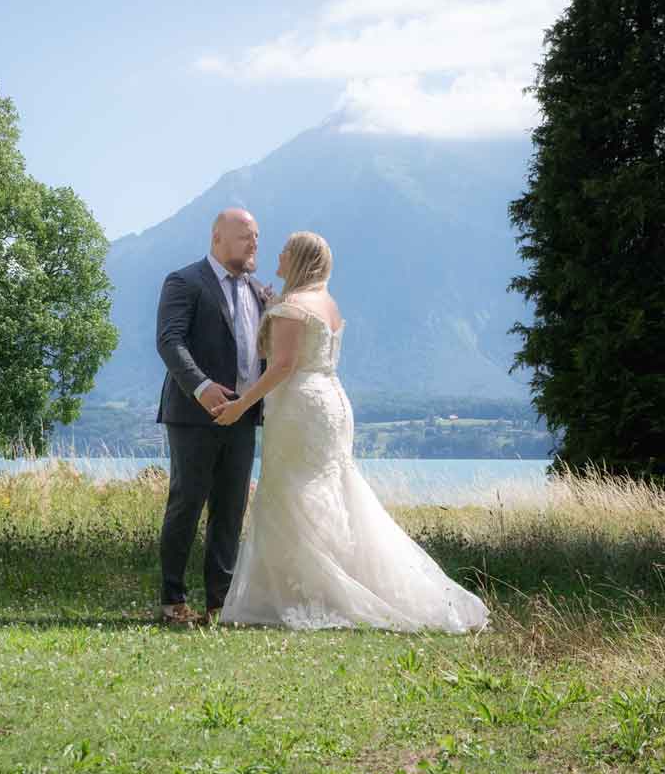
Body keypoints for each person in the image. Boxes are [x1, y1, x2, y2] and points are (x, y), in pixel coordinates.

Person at [214, 231, 489, 633]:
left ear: (300, 259)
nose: (279, 253)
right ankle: (335, 582)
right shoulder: (326, 303)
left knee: (291, 490)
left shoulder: (292, 305)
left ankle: (314, 592)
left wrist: (240, 405)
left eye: (286, 250)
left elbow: (282, 365)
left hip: (301, 406)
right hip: (332, 401)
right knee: (329, 487)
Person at [153, 207, 270, 626]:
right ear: (217, 238)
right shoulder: (185, 281)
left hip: (242, 417)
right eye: (245, 236)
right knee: (186, 503)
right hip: (193, 415)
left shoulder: (259, 292)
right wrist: (201, 387)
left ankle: (219, 603)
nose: (254, 242)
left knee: (231, 508)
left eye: (256, 236)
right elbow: (169, 341)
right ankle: (172, 600)